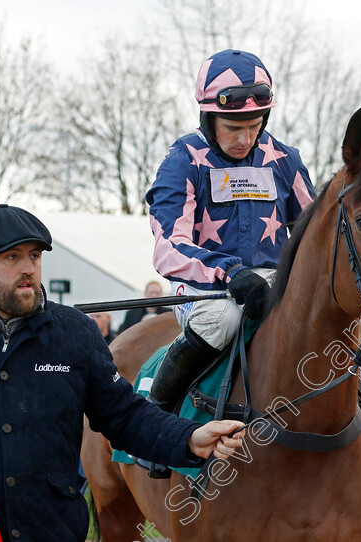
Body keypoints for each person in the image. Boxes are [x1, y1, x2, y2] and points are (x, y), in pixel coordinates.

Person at [0, 204, 247, 541]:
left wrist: (188, 438)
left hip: (52, 530)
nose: (28, 268)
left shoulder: (75, 334)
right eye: (11, 257)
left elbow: (125, 417)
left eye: (34, 256)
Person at [145, 49, 316, 420]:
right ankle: (158, 417)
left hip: (272, 281)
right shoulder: (182, 160)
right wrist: (229, 271)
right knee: (223, 320)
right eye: (234, 127)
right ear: (208, 117)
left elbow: (312, 233)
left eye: (255, 126)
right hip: (205, 287)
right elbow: (167, 248)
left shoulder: (285, 160)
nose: (245, 139)